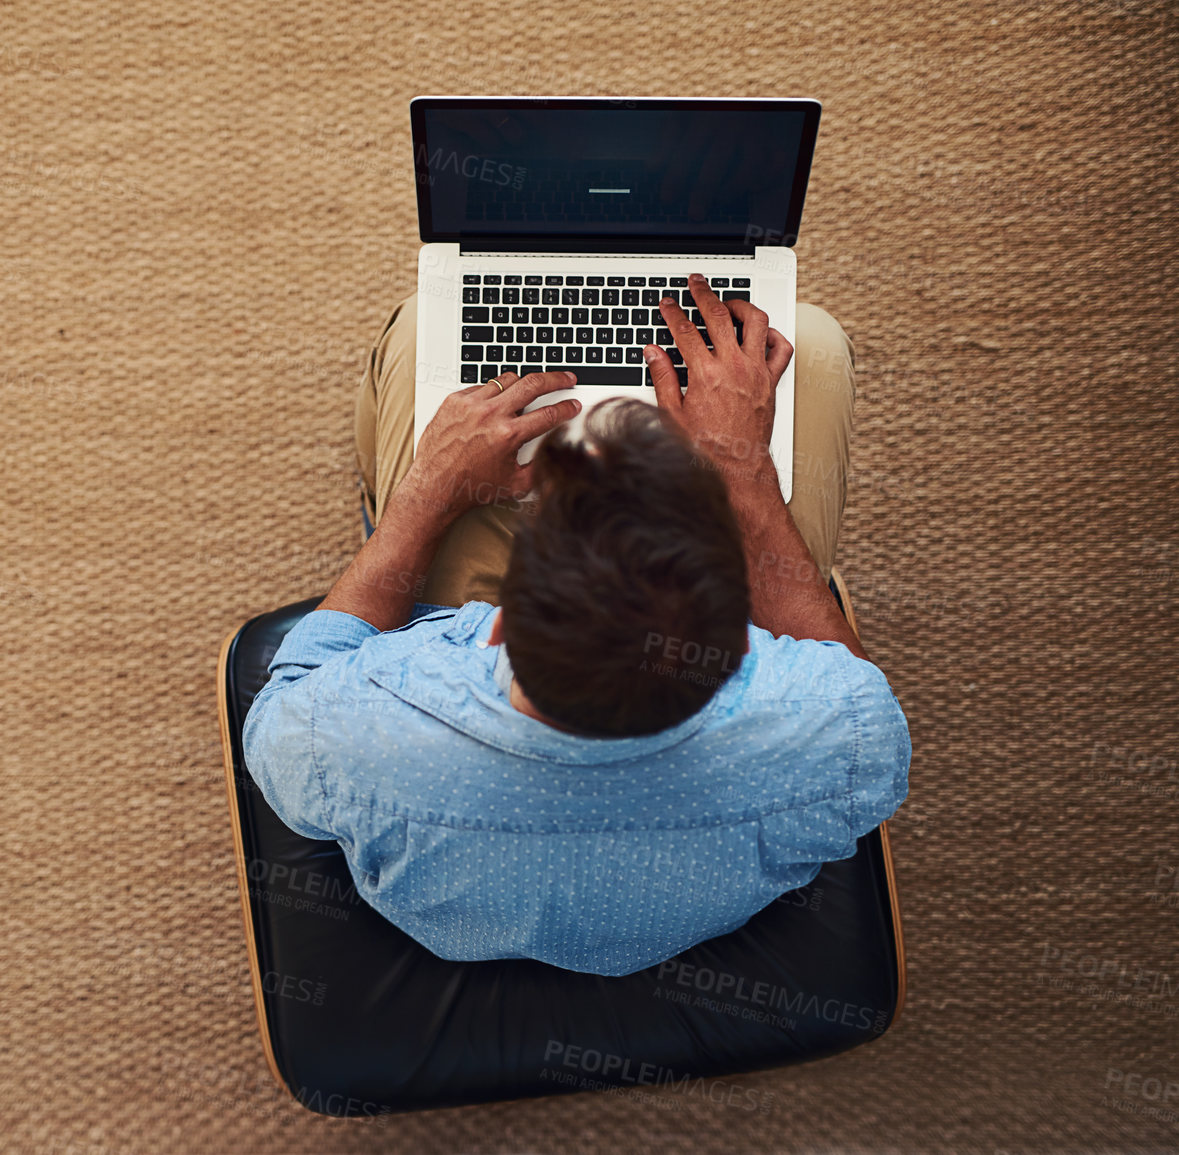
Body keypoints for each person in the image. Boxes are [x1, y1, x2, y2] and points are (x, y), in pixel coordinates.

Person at [242, 274, 910, 976]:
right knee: (814, 345)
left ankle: (391, 493)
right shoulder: (835, 734)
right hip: (687, 908)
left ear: (495, 627)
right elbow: (849, 680)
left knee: (420, 329)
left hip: (453, 911)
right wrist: (740, 470)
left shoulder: (350, 727)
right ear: (742, 642)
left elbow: (295, 686)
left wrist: (429, 492)